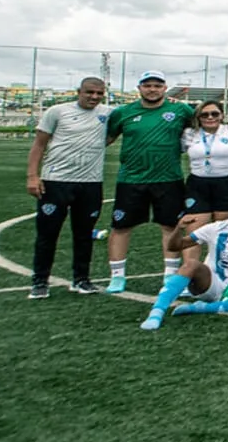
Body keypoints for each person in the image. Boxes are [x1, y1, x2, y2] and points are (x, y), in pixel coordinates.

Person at [104, 71, 196, 293]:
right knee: (121, 227)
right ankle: (117, 276)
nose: (152, 89)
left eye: (157, 85)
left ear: (165, 88)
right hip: (131, 179)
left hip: (169, 179)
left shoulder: (180, 110)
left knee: (170, 227)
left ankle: (170, 275)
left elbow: (205, 121)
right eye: (147, 85)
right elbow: (106, 139)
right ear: (139, 88)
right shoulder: (123, 113)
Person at [139, 192, 228, 330]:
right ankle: (156, 312)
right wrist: (179, 229)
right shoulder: (217, 227)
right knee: (191, 264)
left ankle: (204, 308)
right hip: (211, 283)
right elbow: (174, 246)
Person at [25, 76, 111, 299]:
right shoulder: (57, 111)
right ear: (78, 91)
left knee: (83, 235)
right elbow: (39, 145)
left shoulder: (109, 113)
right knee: (47, 234)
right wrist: (33, 176)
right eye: (89, 92)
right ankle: (40, 281)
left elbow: (112, 136)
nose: (94, 97)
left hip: (91, 183)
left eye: (99, 93)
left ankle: (81, 280)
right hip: (56, 182)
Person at [178, 100, 228, 235]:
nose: (210, 117)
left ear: (222, 115)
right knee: (193, 233)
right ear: (198, 117)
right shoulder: (189, 133)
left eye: (215, 114)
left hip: (227, 184)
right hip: (198, 185)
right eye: (205, 115)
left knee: (222, 232)